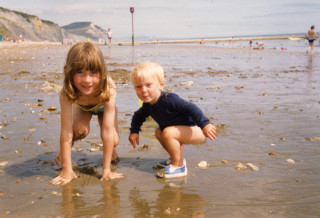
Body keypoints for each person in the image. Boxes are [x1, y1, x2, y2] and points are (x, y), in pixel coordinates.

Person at [50, 42, 123, 186]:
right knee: (79, 130)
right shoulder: (66, 93)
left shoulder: (108, 89)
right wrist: (66, 168)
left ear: (102, 72)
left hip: (104, 105)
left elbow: (107, 131)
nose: (87, 80)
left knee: (113, 139)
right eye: (80, 72)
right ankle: (65, 153)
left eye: (93, 73)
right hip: (84, 107)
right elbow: (66, 131)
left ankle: (112, 151)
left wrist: (106, 170)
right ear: (69, 71)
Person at [128, 62, 217, 178]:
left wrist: (205, 124)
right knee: (159, 132)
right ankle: (175, 158)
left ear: (161, 85)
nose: (143, 90)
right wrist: (134, 131)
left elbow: (191, 108)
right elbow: (138, 116)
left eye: (148, 85)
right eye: (138, 87)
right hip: (177, 132)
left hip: (195, 129)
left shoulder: (170, 100)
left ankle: (178, 166)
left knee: (167, 132)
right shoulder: (147, 105)